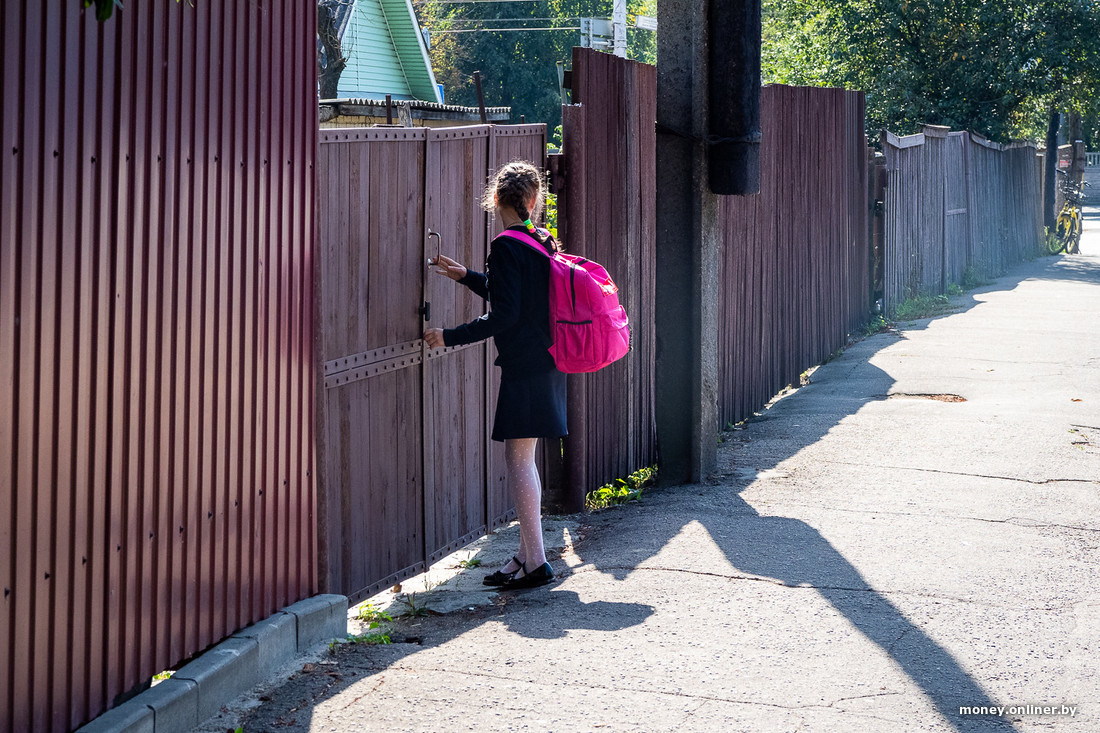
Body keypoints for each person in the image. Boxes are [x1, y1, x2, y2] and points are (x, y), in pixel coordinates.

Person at [422, 160, 564, 590]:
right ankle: (525, 556)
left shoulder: (505, 244)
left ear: (496, 199)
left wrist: (449, 336)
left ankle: (536, 561)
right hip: (547, 360)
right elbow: (517, 295)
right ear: (533, 200)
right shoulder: (540, 239)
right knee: (526, 460)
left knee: (518, 460)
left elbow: (504, 315)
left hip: (524, 366)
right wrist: (467, 276)